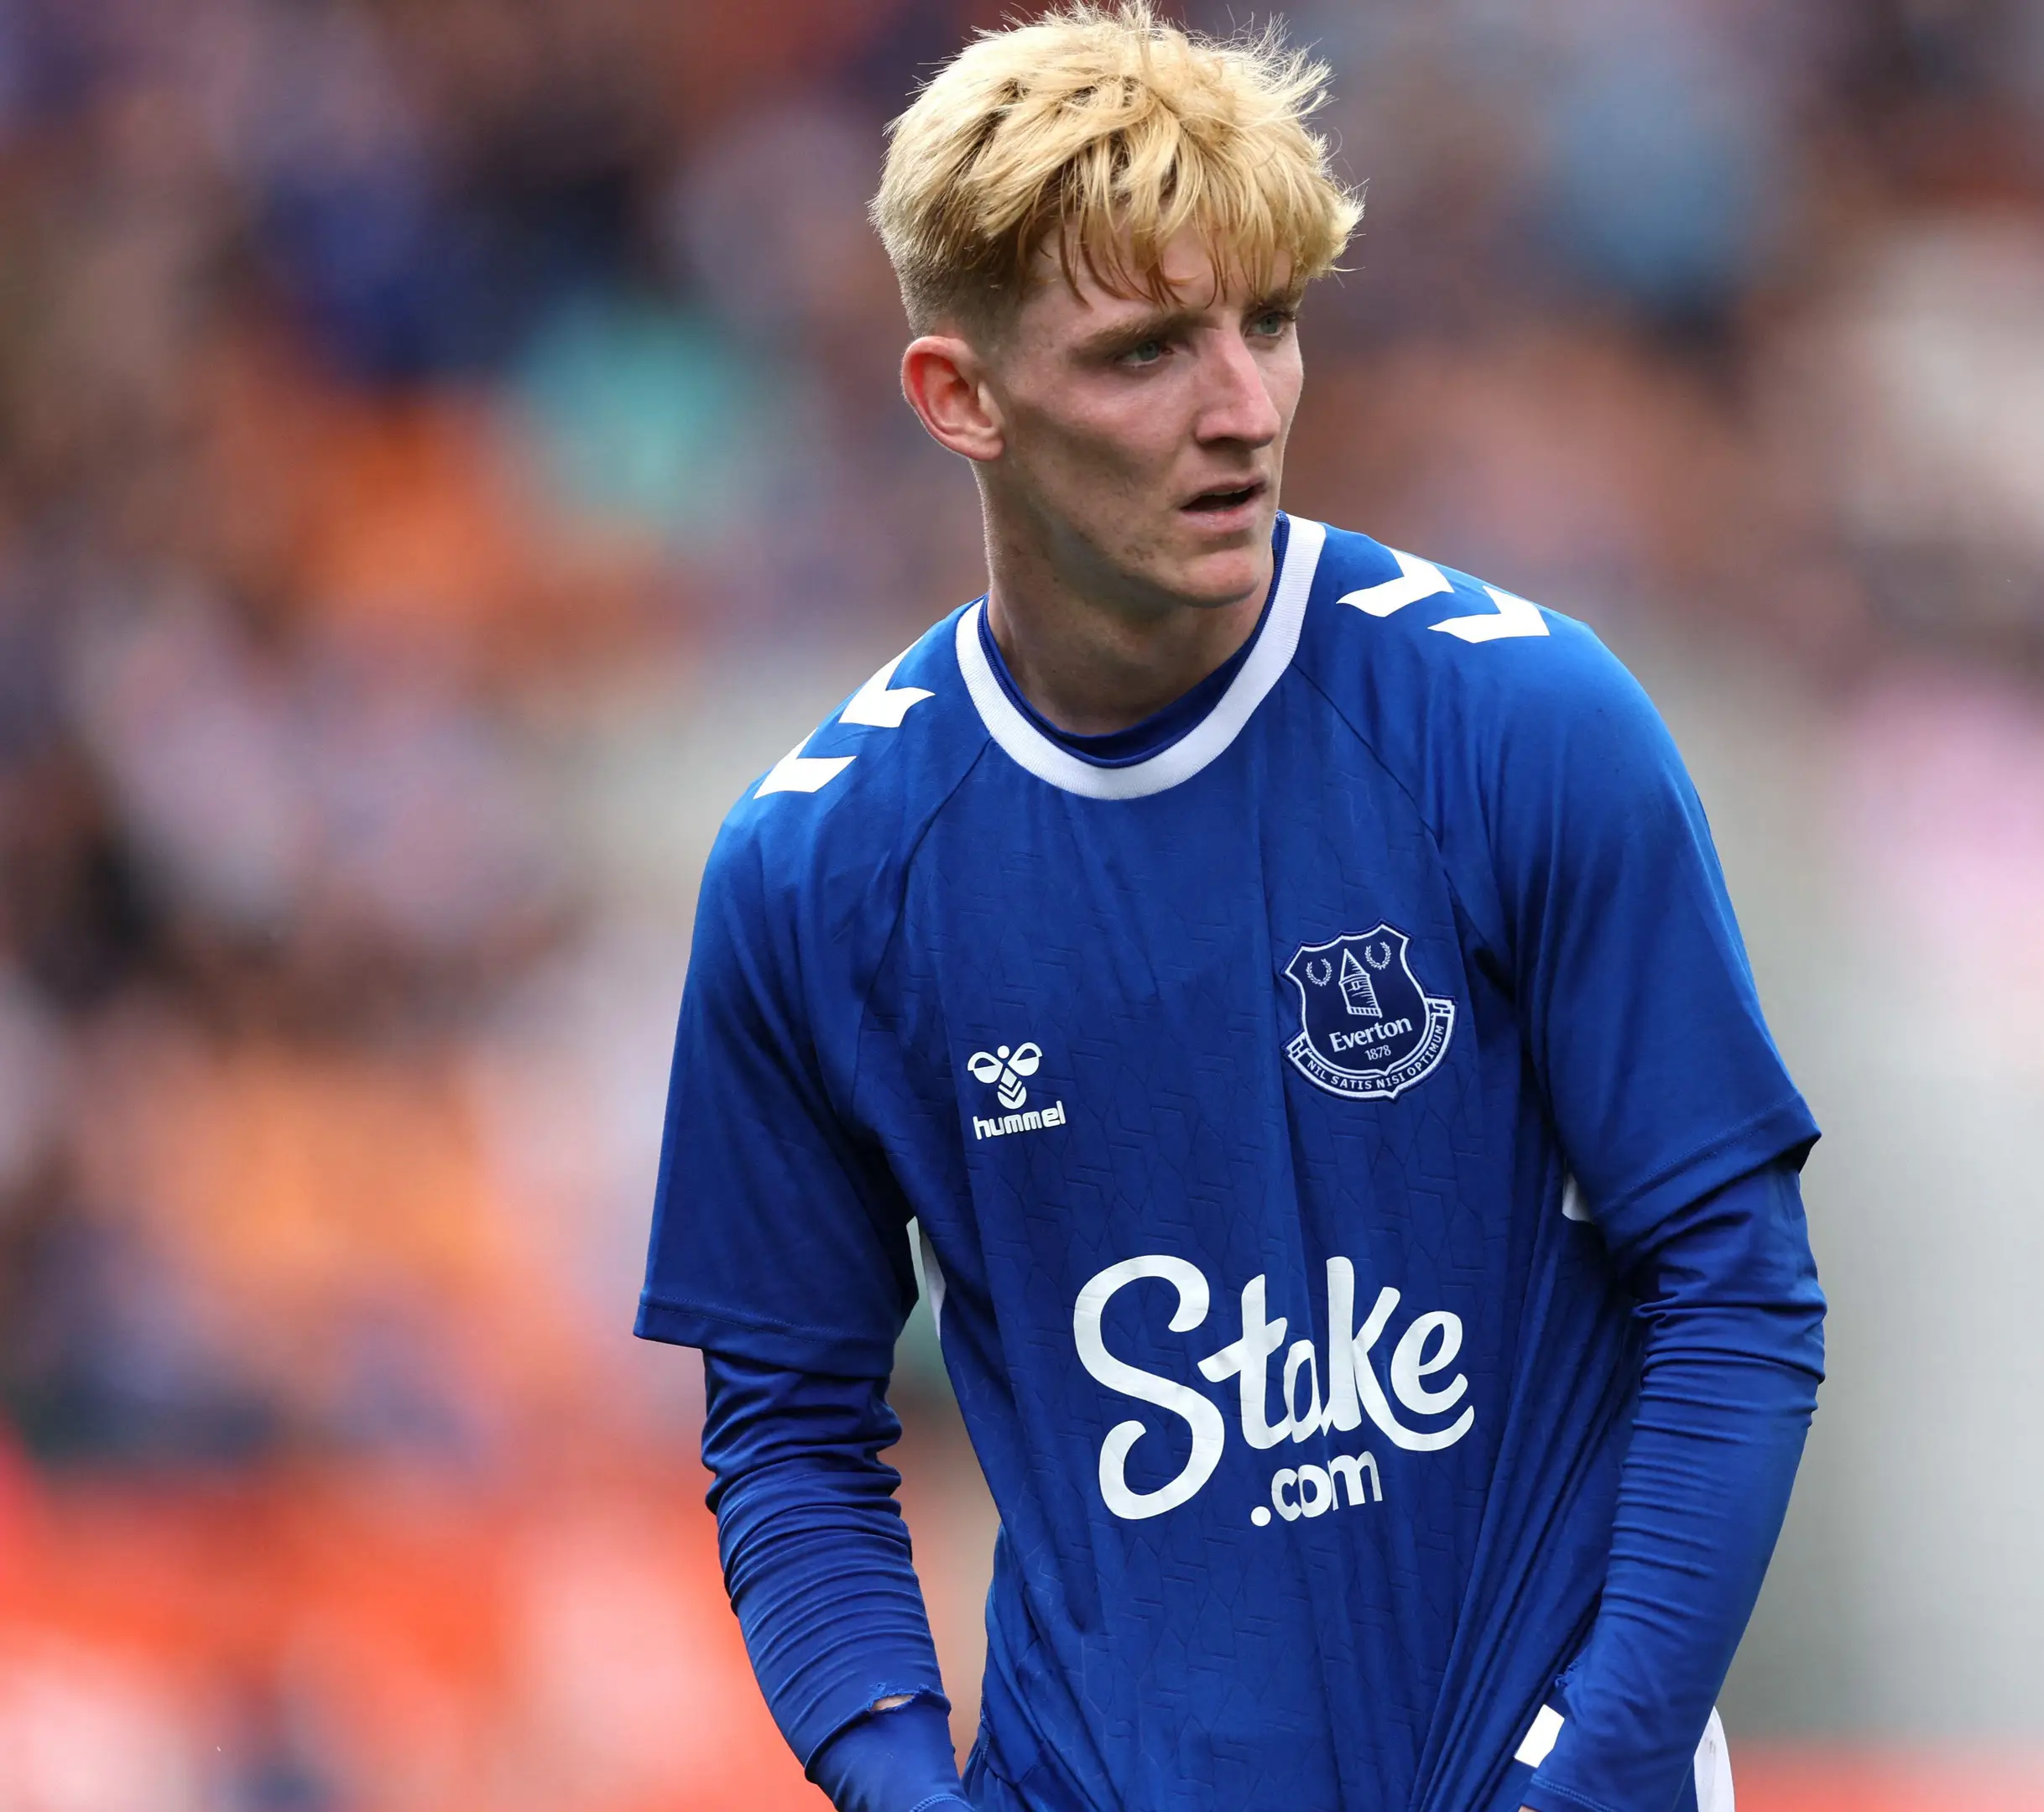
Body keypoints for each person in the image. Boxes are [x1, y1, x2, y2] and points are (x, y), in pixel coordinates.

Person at [632, 8, 1828, 1810]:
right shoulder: (821, 873)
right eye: (1144, 353)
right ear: (960, 397)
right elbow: (791, 1426)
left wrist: (1600, 1767)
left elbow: (1735, 1288)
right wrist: (899, 1782)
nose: (1243, 409)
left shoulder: (1524, 727)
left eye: (1268, 323)